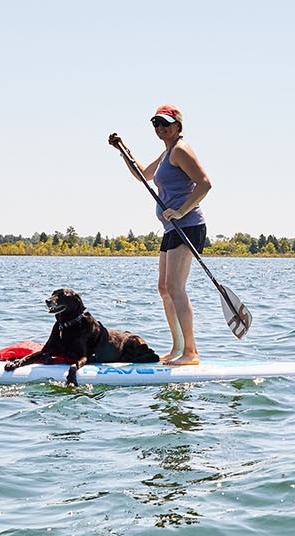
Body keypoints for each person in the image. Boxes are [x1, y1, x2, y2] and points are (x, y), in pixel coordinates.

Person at [128, 104, 211, 365]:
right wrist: (124, 152)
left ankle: (191, 352)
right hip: (172, 228)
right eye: (156, 123)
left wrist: (180, 210)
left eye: (165, 123)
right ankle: (177, 348)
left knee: (176, 288)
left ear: (178, 126)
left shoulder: (181, 150)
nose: (160, 128)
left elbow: (205, 183)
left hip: (188, 226)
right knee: (164, 288)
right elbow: (143, 176)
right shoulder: (166, 154)